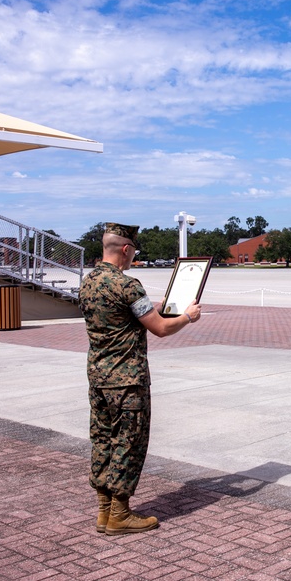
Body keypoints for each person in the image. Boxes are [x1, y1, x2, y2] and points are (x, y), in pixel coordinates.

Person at [79, 222, 202, 536]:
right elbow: (160, 328)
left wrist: (153, 310)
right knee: (128, 443)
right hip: (128, 380)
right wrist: (187, 316)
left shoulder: (88, 281)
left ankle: (104, 512)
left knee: (103, 441)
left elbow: (129, 316)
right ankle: (120, 514)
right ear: (125, 249)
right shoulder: (127, 284)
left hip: (99, 377)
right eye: (133, 251)